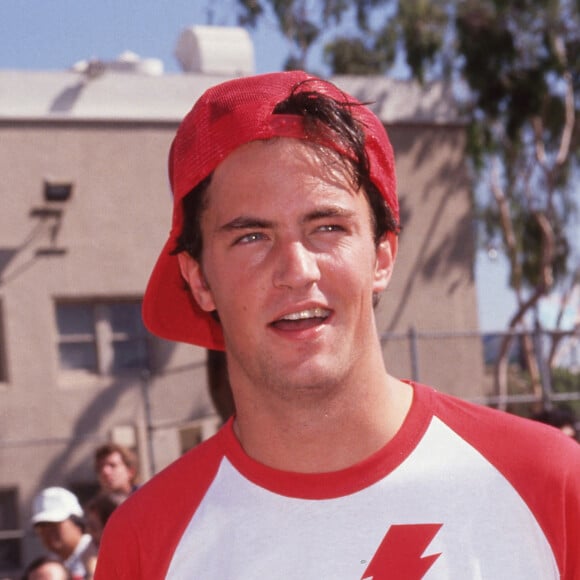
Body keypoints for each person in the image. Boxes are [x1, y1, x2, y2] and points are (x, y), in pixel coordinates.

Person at [95, 71, 580, 578]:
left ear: (383, 256)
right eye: (251, 237)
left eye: (328, 227)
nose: (297, 269)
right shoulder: (145, 543)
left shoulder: (550, 484)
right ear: (198, 280)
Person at [31, 487, 96, 580]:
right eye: (41, 526)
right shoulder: (50, 565)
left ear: (77, 522)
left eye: (54, 524)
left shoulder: (98, 553)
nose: (47, 531)